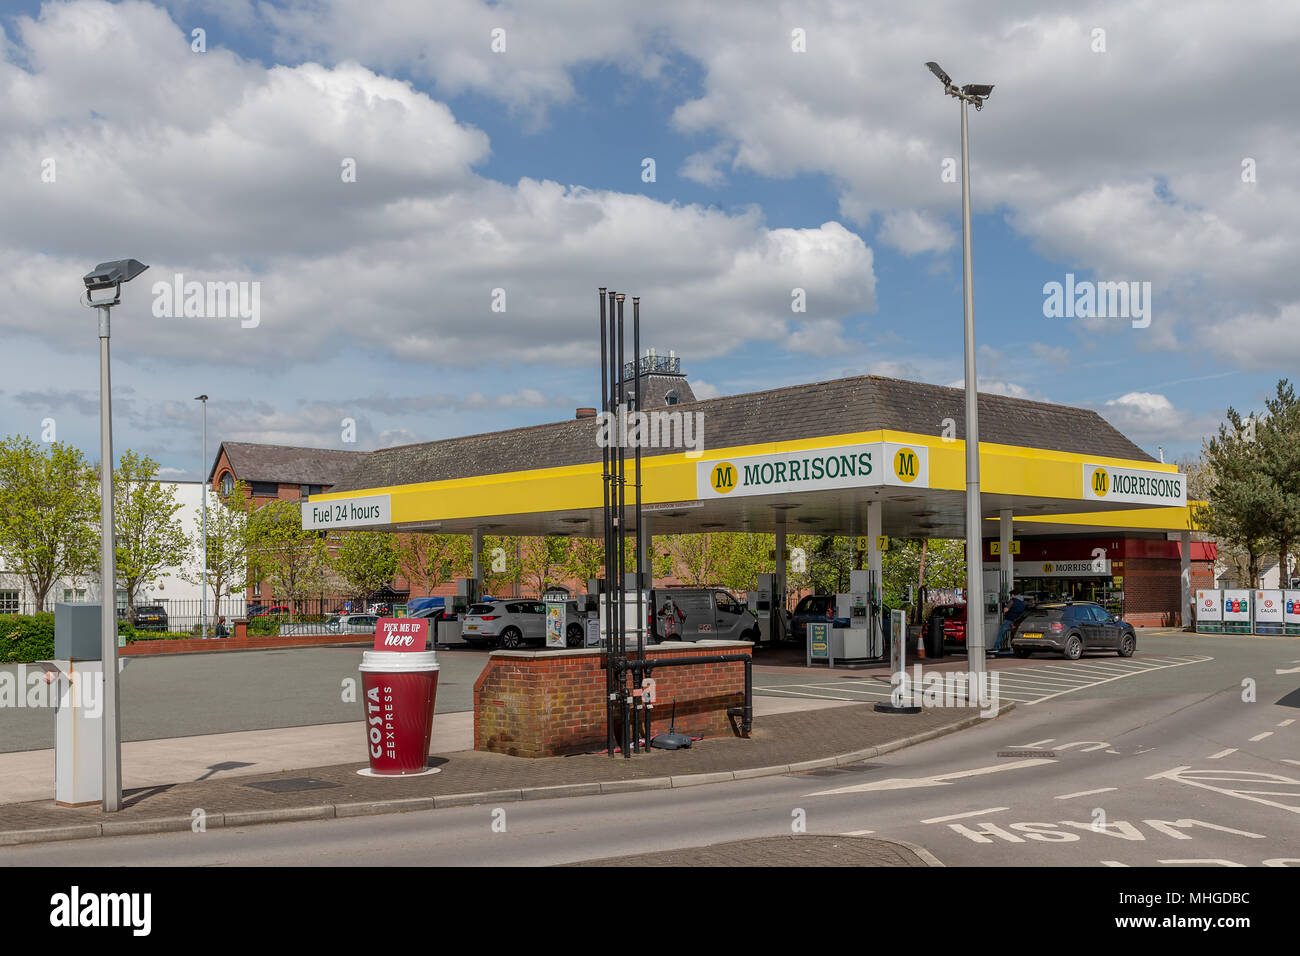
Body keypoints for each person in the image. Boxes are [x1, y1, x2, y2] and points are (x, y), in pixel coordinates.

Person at [991, 590, 1026, 654]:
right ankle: (1014, 648)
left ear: (1013, 595)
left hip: (1009, 620)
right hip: (1017, 621)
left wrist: (1005, 606)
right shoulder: (1023, 602)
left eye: (1011, 595)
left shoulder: (1012, 601)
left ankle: (996, 648)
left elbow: (1005, 610)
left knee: (1001, 634)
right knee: (1014, 635)